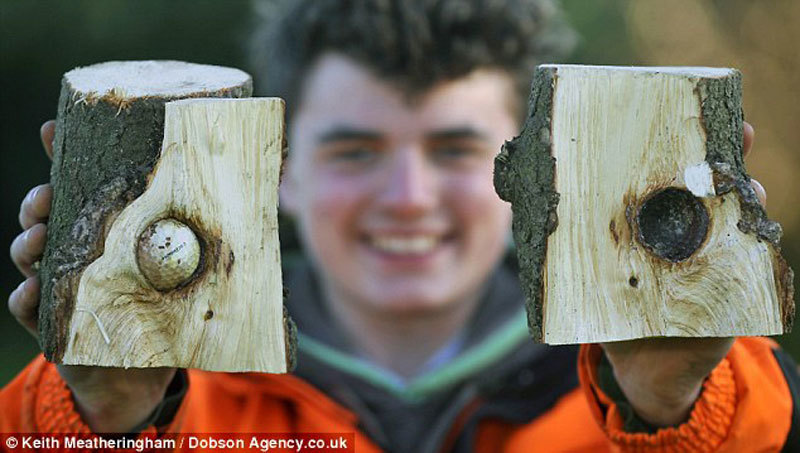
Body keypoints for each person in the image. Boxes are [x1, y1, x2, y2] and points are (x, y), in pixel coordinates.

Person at [3, 0, 799, 451]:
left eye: (456, 149)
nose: (409, 196)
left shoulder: (702, 382)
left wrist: (671, 406)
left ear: (535, 173)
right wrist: (108, 422)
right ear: (274, 168)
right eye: (354, 151)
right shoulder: (152, 392)